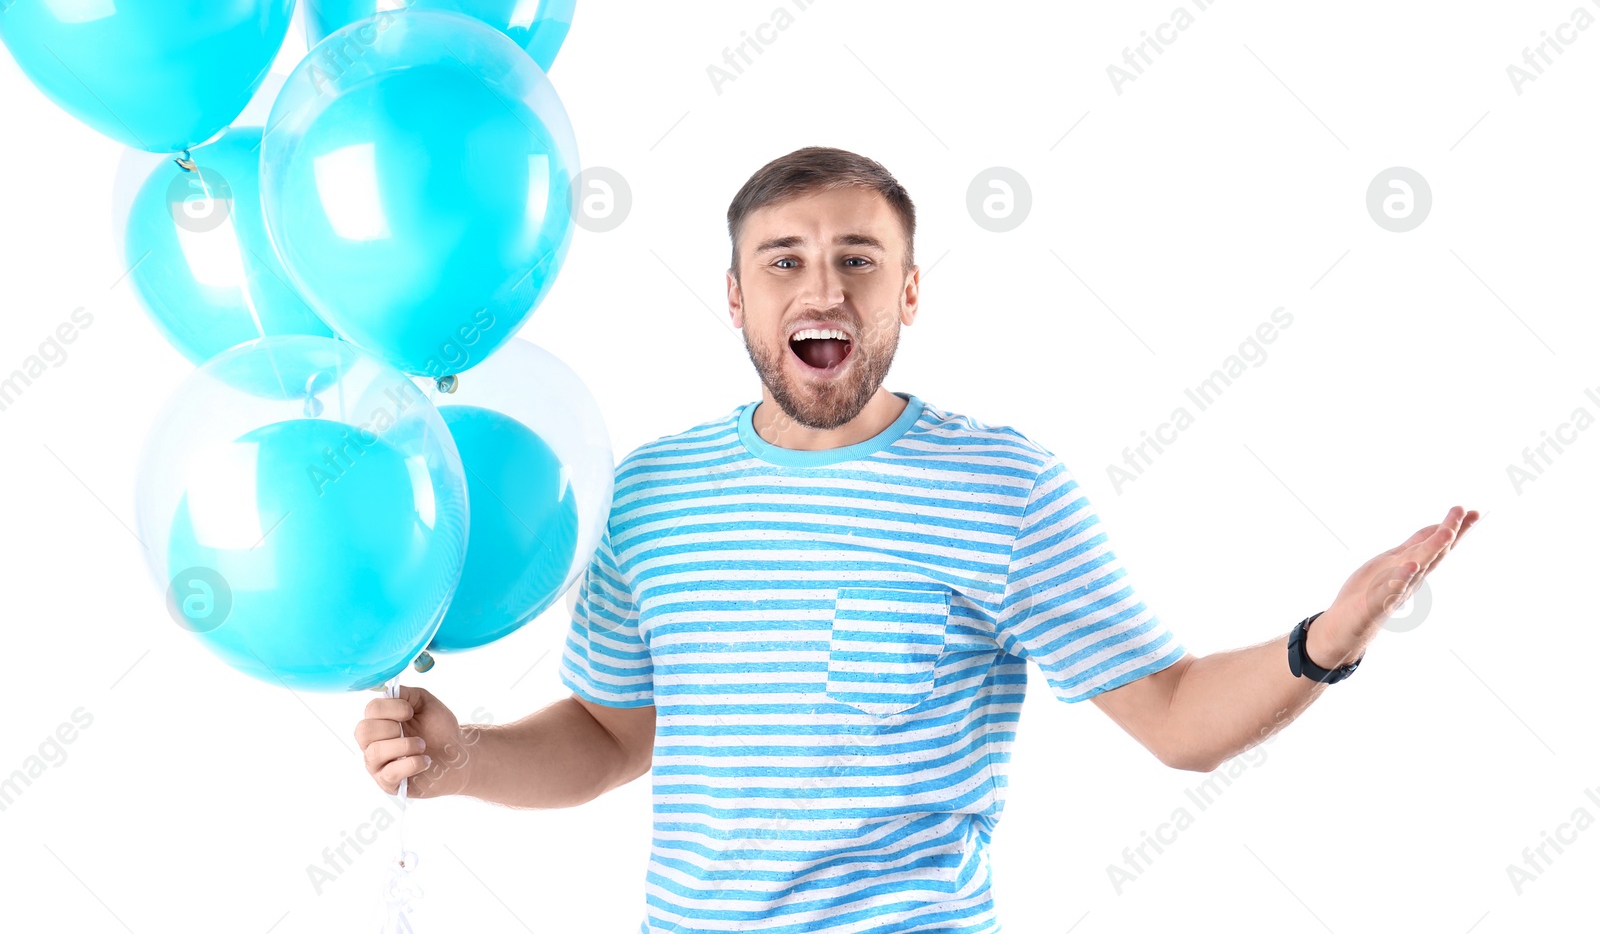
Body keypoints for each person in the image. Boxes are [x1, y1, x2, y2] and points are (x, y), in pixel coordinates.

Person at [356, 146, 1477, 933]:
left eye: (859, 256)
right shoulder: (650, 491)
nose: (824, 282)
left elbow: (1178, 717)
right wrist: (463, 760)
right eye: (785, 259)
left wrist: (1324, 638)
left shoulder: (1001, 486)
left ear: (908, 289)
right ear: (737, 299)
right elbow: (610, 735)